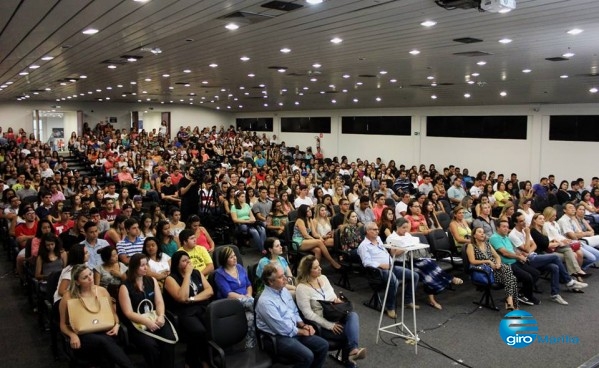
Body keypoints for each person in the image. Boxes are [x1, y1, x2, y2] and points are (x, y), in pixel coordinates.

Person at [295, 256, 367, 367]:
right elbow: (308, 314)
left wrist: (336, 300)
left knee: (353, 315)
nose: (320, 268)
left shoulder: (323, 278)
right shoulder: (302, 288)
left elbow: (332, 296)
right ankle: (350, 358)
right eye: (316, 267)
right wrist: (329, 325)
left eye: (319, 265)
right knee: (350, 332)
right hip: (321, 325)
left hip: (335, 315)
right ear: (308, 271)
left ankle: (353, 351)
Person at [59, 264, 134, 368]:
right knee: (104, 342)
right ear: (77, 282)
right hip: (83, 335)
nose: (90, 278)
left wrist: (116, 324)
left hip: (104, 329)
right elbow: (63, 324)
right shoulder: (68, 296)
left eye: (90, 274)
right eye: (85, 277)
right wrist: (72, 335)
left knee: (105, 347)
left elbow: (113, 314)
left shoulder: (102, 291)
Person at [255, 263, 329, 368]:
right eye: (280, 277)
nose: (285, 278)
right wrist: (302, 331)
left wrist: (303, 325)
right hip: (276, 337)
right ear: (271, 282)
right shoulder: (265, 302)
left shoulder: (283, 290)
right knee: (307, 356)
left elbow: (293, 311)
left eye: (284, 275)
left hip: (293, 330)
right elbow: (281, 327)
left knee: (323, 345)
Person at [386, 218, 462, 310]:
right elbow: (394, 253)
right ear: (397, 227)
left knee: (429, 266)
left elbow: (414, 244)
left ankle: (432, 298)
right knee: (427, 269)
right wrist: (406, 246)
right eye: (403, 228)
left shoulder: (407, 235)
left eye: (407, 228)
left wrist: (409, 244)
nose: (406, 230)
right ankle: (448, 279)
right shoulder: (391, 238)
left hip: (413, 259)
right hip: (401, 262)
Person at [119, 254, 176, 368]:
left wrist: (161, 316)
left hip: (154, 316)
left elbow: (159, 302)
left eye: (147, 265)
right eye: (142, 265)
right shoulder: (125, 287)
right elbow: (128, 313)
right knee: (150, 346)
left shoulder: (152, 280)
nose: (146, 268)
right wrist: (147, 322)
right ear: (134, 267)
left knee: (169, 339)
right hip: (137, 322)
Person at [357, 222, 420, 318]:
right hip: (379, 271)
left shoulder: (378, 239)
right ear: (367, 231)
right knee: (394, 281)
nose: (377, 231)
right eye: (374, 229)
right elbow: (366, 263)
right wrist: (382, 265)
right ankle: (390, 307)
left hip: (391, 266)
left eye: (377, 229)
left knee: (414, 275)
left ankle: (408, 301)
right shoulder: (363, 246)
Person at [163, 251, 213, 368]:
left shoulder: (196, 273)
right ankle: (199, 360)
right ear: (176, 264)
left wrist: (192, 299)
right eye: (184, 261)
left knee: (211, 327)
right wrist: (187, 275)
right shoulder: (171, 279)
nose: (188, 263)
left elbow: (209, 291)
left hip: (199, 306)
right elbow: (181, 297)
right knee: (199, 331)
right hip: (183, 311)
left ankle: (198, 358)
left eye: (188, 260)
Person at [467, 227, 519, 310]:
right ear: (474, 235)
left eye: (483, 232)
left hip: (495, 268)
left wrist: (498, 263)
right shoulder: (471, 246)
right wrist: (488, 261)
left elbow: (497, 256)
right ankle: (512, 303)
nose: (482, 234)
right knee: (512, 278)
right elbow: (472, 261)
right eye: (479, 232)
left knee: (509, 273)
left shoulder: (487, 244)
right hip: (485, 271)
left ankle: (510, 302)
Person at [214, 246, 256, 349]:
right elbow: (228, 294)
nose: (235, 258)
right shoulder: (219, 274)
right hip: (231, 303)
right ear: (224, 259)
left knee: (250, 317)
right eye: (231, 257)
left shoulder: (240, 268)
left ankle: (250, 344)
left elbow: (248, 285)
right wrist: (245, 298)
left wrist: (249, 295)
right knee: (257, 305)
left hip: (247, 299)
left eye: (235, 256)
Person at [293, 204, 341, 269]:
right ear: (303, 212)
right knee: (318, 242)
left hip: (306, 241)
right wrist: (315, 240)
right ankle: (332, 261)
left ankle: (315, 268)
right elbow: (305, 235)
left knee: (318, 250)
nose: (310, 211)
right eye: (308, 211)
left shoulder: (310, 220)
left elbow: (314, 233)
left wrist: (320, 237)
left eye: (310, 210)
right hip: (298, 241)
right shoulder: (300, 220)